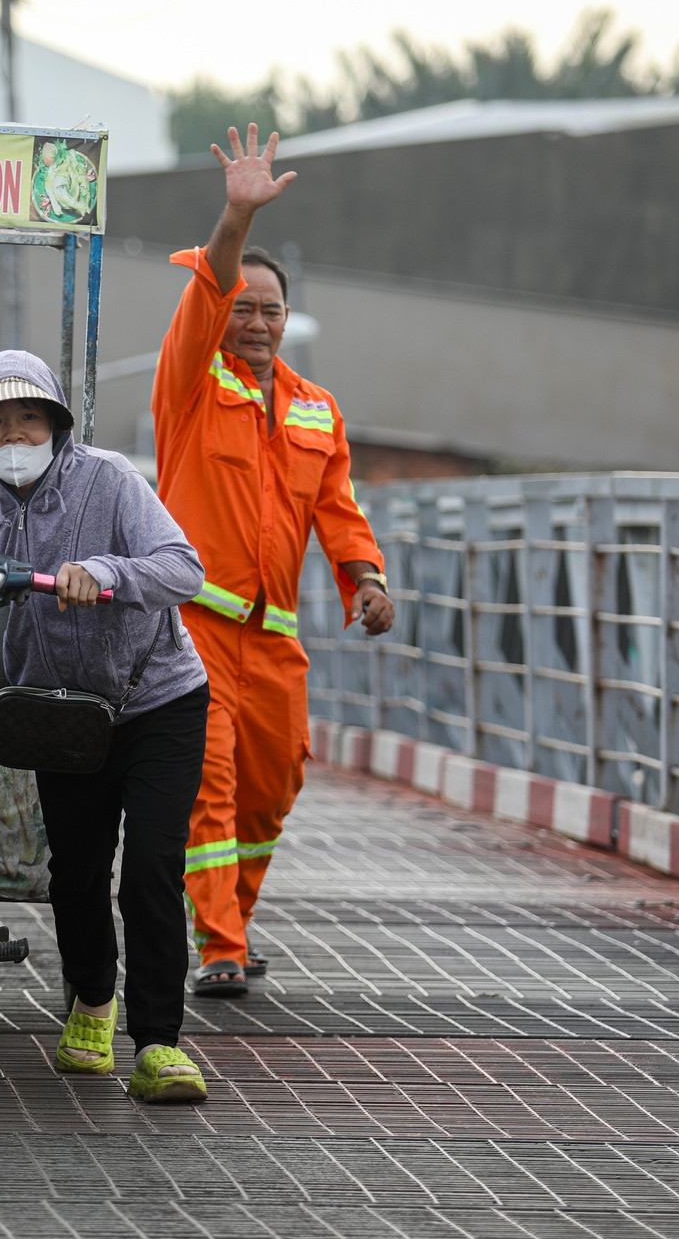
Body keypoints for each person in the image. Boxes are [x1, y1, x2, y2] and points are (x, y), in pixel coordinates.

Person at [152, 125, 397, 997]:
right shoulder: (190, 383)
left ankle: (234, 918)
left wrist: (364, 577)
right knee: (208, 785)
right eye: (243, 309)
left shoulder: (315, 411)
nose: (255, 323)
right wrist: (236, 217)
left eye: (271, 312)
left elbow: (338, 509)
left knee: (271, 786)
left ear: (288, 322)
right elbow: (213, 282)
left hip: (275, 639)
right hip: (193, 629)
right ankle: (218, 943)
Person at [0, 349, 214, 1103]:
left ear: (58, 423)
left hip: (158, 702)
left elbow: (184, 568)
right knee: (75, 871)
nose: (14, 436)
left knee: (151, 870)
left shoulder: (112, 479)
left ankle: (160, 1043)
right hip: (62, 718)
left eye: (29, 418)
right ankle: (92, 1007)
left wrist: (106, 573)